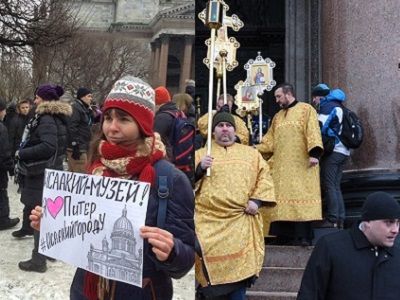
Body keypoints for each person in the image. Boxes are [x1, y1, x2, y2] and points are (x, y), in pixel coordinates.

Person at [30, 75, 195, 299]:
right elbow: (83, 230)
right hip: (86, 289)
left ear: (143, 124)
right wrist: (53, 225)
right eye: (108, 117)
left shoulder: (170, 179)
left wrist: (172, 251)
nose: (112, 128)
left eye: (124, 119)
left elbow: (186, 258)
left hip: (141, 292)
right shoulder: (97, 165)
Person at [195, 111, 276, 299]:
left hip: (241, 221)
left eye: (228, 126)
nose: (225, 129)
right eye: (220, 126)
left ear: (234, 129)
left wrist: (256, 200)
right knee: (210, 278)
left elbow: (265, 178)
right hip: (208, 224)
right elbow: (183, 184)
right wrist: (199, 169)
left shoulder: (251, 155)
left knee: (239, 279)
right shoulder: (200, 154)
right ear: (213, 132)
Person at [298, 191, 400, 300]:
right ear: (368, 222)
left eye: (398, 223)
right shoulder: (331, 247)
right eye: (389, 222)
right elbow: (310, 293)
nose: (395, 230)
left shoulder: (397, 253)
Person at [257, 83, 323, 246]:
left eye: (279, 96)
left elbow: (312, 130)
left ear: (288, 93)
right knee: (282, 202)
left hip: (302, 165)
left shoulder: (306, 109)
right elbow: (269, 142)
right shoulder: (278, 117)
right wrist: (253, 150)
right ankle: (283, 236)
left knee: (301, 198)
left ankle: (303, 237)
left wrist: (314, 153)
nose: (277, 100)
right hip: (281, 168)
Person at [15, 84, 71, 272]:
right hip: (51, 172)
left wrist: (22, 153)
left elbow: (48, 146)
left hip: (41, 173)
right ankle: (49, 250)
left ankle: (38, 260)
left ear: (45, 100)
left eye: (37, 98)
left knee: (39, 213)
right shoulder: (57, 117)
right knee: (47, 214)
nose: (34, 101)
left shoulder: (46, 118)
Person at [312, 84, 350, 229]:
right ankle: (340, 219)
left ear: (318, 97)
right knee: (335, 185)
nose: (314, 102)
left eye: (314, 98)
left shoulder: (327, 106)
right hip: (343, 151)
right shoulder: (340, 106)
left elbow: (319, 128)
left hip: (333, 151)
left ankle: (332, 218)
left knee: (329, 185)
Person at [0, 99, 20, 230]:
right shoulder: (1, 128)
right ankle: (3, 220)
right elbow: (4, 151)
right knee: (1, 191)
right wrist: (11, 168)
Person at [67, 87, 94, 173]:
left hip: (83, 145)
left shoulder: (84, 108)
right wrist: (75, 145)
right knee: (81, 174)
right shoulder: (76, 108)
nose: (91, 99)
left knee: (74, 174)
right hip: (78, 148)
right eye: (89, 96)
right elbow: (72, 127)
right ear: (82, 97)